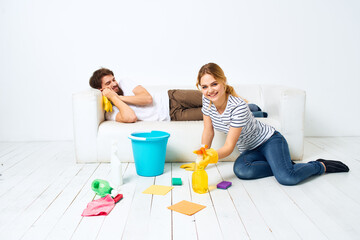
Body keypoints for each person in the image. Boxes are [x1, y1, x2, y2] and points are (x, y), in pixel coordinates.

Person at [196, 63, 349, 186]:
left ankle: (319, 166)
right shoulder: (206, 101)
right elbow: (208, 131)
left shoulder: (238, 107)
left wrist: (212, 157)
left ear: (223, 81)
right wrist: (203, 154)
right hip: (250, 150)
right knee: (241, 170)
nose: (210, 90)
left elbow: (229, 147)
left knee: (287, 178)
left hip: (269, 141)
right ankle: (281, 165)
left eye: (214, 84)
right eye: (204, 87)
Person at [89, 68, 203, 122]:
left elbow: (147, 99)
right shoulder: (111, 113)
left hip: (172, 97)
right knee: (212, 111)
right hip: (173, 115)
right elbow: (131, 117)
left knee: (209, 97)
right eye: (108, 83)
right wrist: (113, 98)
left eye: (114, 79)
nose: (114, 84)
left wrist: (118, 97)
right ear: (101, 90)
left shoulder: (124, 82)